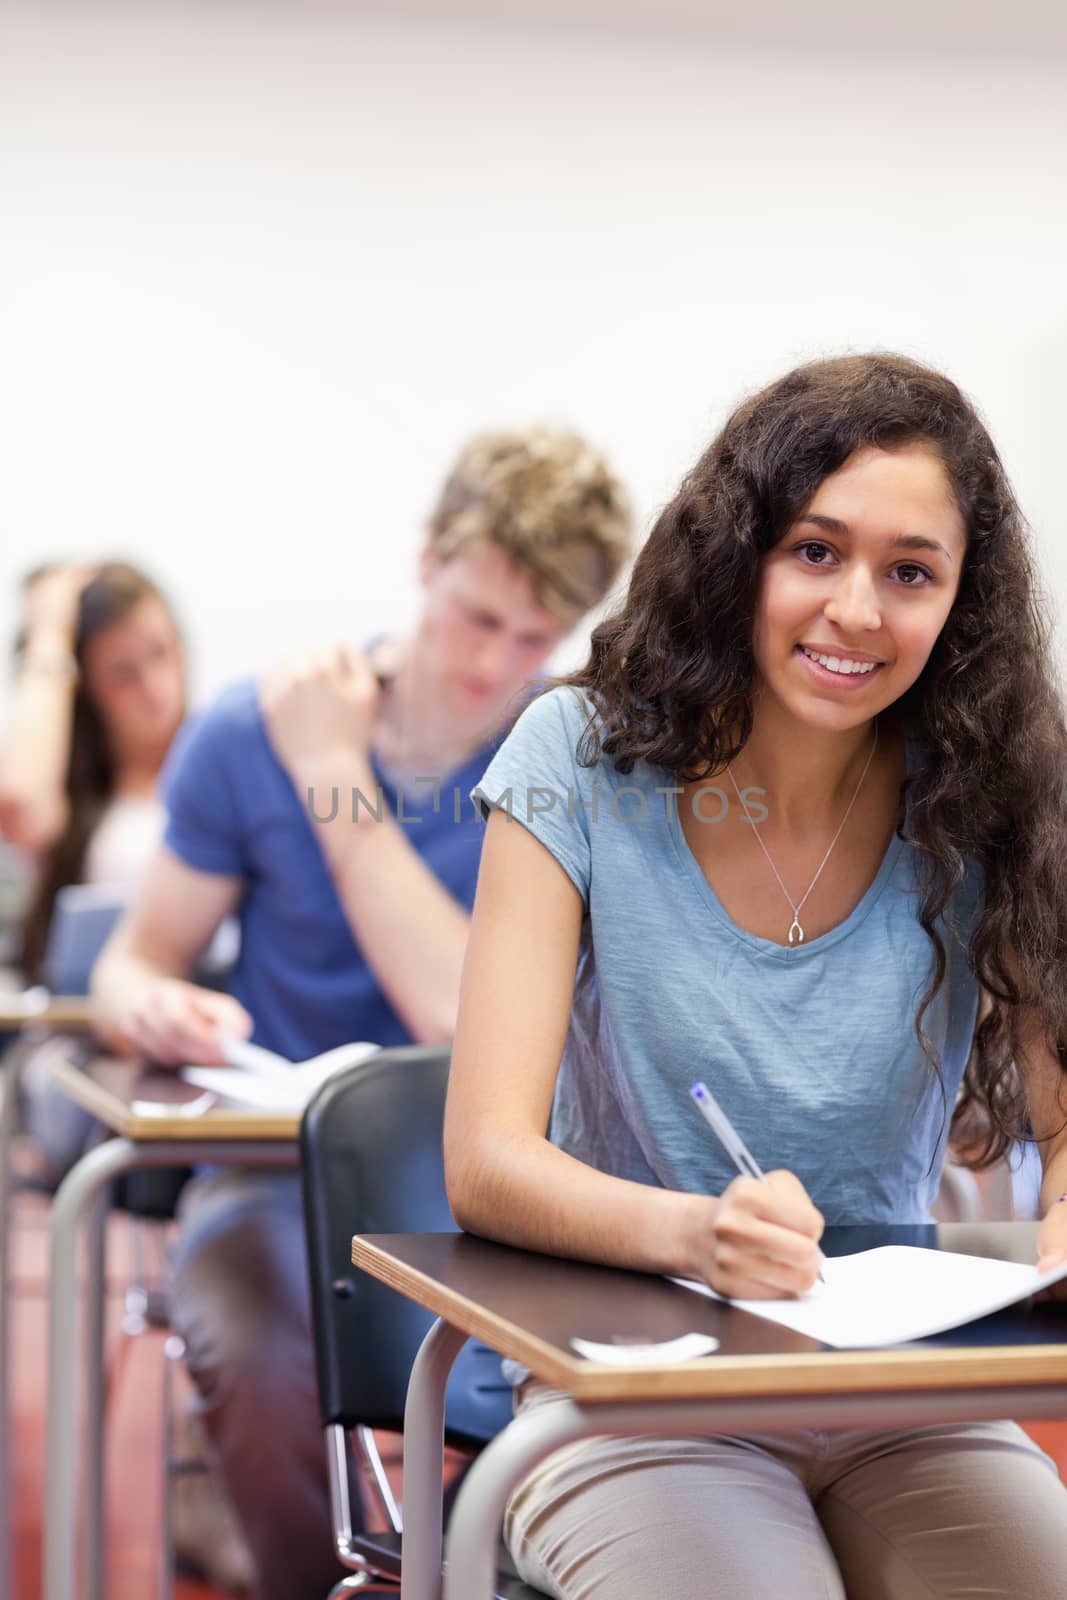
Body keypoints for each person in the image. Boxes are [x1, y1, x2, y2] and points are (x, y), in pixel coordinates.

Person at [445, 356, 1067, 1600]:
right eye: (814, 550)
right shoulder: (576, 754)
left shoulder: (989, 786)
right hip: (634, 1386)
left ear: (958, 602)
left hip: (901, 1389)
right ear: (739, 553)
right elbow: (485, 1157)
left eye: (909, 572)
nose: (855, 611)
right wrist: (696, 1234)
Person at [91, 425, 632, 1599]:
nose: (494, 663)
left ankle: (444, 1564)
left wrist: (334, 777)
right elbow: (132, 959)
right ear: (425, 558)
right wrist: (158, 1007)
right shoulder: (247, 732)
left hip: (492, 1173)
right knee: (253, 1338)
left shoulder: (563, 755)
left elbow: (451, 1007)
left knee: (581, 1381)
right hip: (274, 1169)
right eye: (473, 617)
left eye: (533, 636)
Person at [0, 561, 187, 1171]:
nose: (155, 685)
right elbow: (23, 802)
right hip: (90, 1058)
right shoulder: (75, 802)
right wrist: (51, 632)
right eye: (122, 674)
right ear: (86, 689)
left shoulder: (219, 762)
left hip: (204, 1046)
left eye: (162, 653)